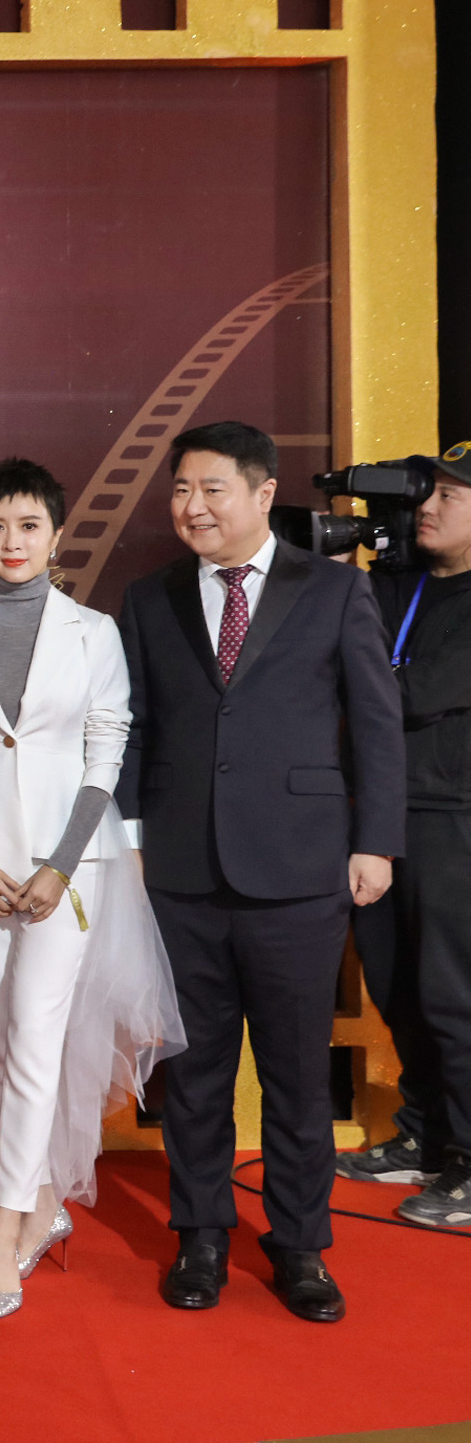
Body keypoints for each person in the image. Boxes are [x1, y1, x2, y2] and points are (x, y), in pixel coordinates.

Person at [118, 421, 403, 1322]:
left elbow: (376, 721)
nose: (192, 507)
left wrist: (376, 841)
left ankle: (300, 1246)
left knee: (296, 1076)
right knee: (194, 1073)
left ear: (262, 492)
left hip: (301, 869)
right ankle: (200, 1236)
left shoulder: (335, 590)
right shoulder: (149, 598)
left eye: (211, 489)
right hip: (180, 873)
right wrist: (130, 839)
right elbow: (133, 726)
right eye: (180, 490)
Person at [0, 458, 184, 1316]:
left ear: (55, 534)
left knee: (35, 1034)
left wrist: (59, 862)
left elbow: (108, 750)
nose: (13, 542)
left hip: (66, 873)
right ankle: (39, 1205)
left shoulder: (93, 633)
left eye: (28, 526)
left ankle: (4, 1226)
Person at [350, 443, 471, 1228]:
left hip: (454, 818)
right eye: (426, 492)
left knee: (453, 996)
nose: (428, 506)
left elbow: (413, 693)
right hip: (382, 814)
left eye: (450, 497)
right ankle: (427, 1138)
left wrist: (367, 684)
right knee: (397, 990)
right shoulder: (400, 584)